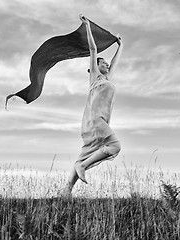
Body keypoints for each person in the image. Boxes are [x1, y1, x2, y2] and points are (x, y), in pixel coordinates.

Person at [63, 14, 123, 196]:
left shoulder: (107, 79)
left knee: (83, 155)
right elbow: (93, 49)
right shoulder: (95, 79)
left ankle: (66, 191)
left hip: (99, 122)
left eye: (105, 63)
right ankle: (83, 166)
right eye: (102, 63)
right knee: (114, 146)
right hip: (95, 121)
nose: (105, 64)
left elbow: (115, 62)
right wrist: (87, 26)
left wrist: (121, 45)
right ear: (95, 68)